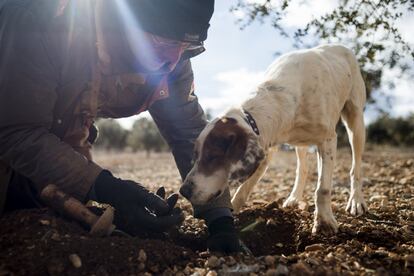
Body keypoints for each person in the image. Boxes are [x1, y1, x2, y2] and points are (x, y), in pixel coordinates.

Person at [0, 0, 240, 252]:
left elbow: (190, 134)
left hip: (60, 127)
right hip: (11, 117)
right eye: (161, 43)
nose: (173, 60)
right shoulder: (40, 20)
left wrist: (220, 220)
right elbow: (15, 129)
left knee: (57, 216)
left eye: (186, 46)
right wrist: (107, 187)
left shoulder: (175, 57)